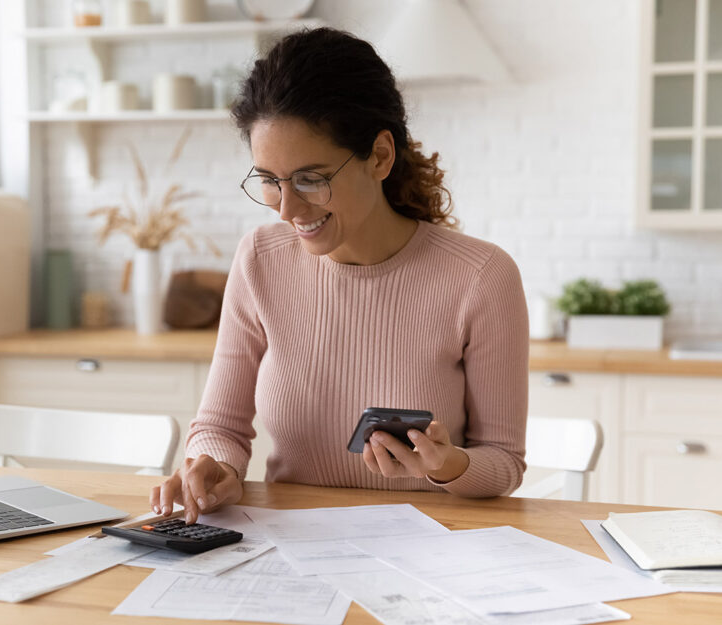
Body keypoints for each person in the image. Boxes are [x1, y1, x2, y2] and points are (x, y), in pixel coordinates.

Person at [151, 27, 529, 524]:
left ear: (380, 156)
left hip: (429, 551)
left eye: (311, 179)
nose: (287, 209)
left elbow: (503, 462)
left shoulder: (481, 276)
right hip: (289, 547)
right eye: (269, 181)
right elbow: (221, 424)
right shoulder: (260, 259)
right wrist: (215, 467)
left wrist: (450, 465)